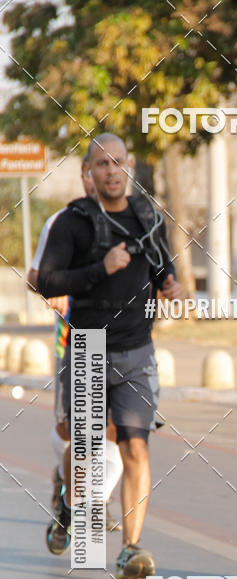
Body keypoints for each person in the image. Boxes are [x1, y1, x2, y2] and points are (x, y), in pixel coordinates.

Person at [38, 133, 181, 579]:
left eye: (118, 162)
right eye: (102, 164)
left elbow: (162, 266)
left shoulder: (147, 215)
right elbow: (46, 281)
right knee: (84, 450)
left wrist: (170, 283)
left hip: (137, 348)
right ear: (90, 173)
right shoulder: (73, 222)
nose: (112, 171)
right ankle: (65, 497)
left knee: (135, 444)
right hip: (87, 347)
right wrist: (103, 267)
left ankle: (131, 549)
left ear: (130, 165)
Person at [27, 162, 123, 534]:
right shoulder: (61, 222)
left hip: (122, 340)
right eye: (95, 170)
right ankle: (66, 486)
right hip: (75, 337)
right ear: (86, 177)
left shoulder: (127, 220)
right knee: (73, 430)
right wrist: (56, 292)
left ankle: (97, 499)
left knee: (113, 428)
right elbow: (36, 276)